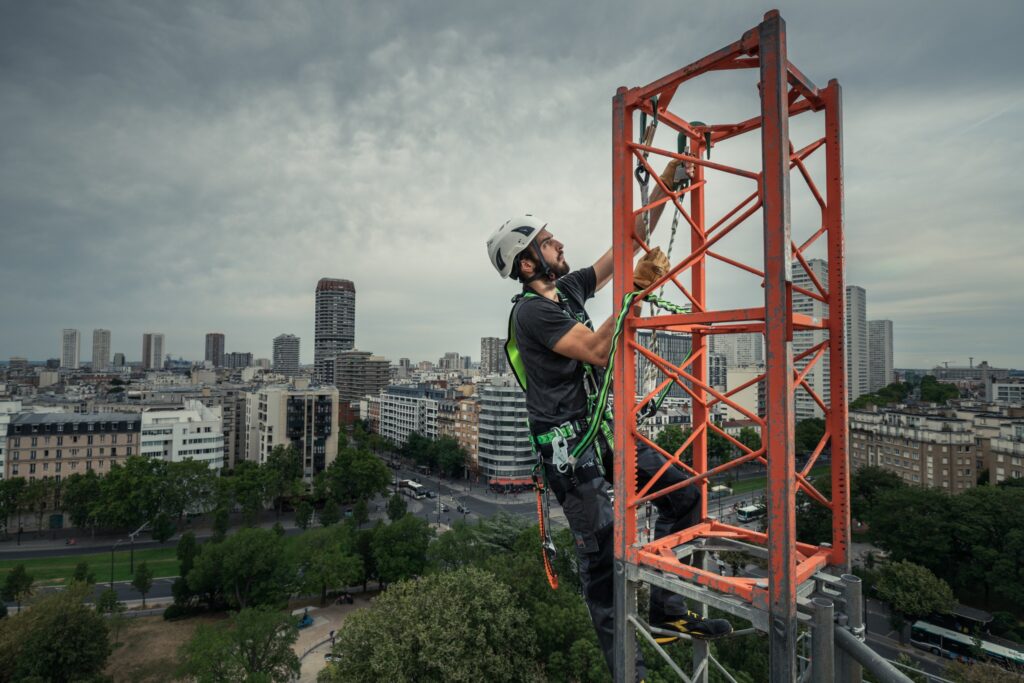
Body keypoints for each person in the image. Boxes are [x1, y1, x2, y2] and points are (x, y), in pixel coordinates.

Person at [486, 159, 731, 677]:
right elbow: (598, 350)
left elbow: (624, 246)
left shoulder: (569, 290)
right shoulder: (532, 312)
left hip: (602, 435)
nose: (559, 245)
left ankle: (667, 611)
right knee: (603, 559)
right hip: (571, 455)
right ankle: (628, 670)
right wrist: (635, 292)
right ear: (527, 264)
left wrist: (664, 187)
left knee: (683, 493)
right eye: (548, 242)